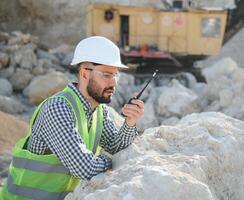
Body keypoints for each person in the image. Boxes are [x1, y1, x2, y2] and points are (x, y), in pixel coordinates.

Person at [0, 36, 144, 200]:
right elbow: (84, 168)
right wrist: (114, 164)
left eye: (115, 75)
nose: (113, 83)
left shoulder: (100, 111)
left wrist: (130, 122)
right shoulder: (58, 108)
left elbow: (116, 146)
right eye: (106, 75)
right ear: (84, 74)